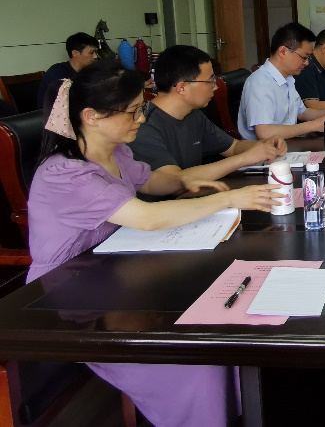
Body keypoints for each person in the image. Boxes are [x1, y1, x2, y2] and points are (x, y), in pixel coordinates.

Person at [27, 61, 281, 427]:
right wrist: (227, 199)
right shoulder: (66, 174)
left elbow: (160, 182)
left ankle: (236, 410)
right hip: (68, 293)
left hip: (115, 270)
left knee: (220, 322)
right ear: (91, 116)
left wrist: (228, 166)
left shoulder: (115, 151)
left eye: (140, 109)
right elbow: (146, 217)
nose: (141, 119)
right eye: (132, 112)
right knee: (193, 357)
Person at [130, 45, 287, 184]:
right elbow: (174, 180)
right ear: (182, 88)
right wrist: (244, 159)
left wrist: (265, 145)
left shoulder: (193, 114)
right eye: (210, 82)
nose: (215, 87)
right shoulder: (143, 126)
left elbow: (233, 147)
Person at [237, 22, 325, 140]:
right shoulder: (260, 82)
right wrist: (312, 126)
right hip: (266, 148)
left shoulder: (288, 78)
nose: (306, 63)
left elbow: (302, 113)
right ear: (283, 51)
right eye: (304, 57)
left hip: (289, 142)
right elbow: (264, 132)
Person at [37, 32, 99, 105]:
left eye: (96, 52)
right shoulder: (57, 72)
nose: (95, 56)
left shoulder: (89, 71)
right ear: (75, 53)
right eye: (91, 52)